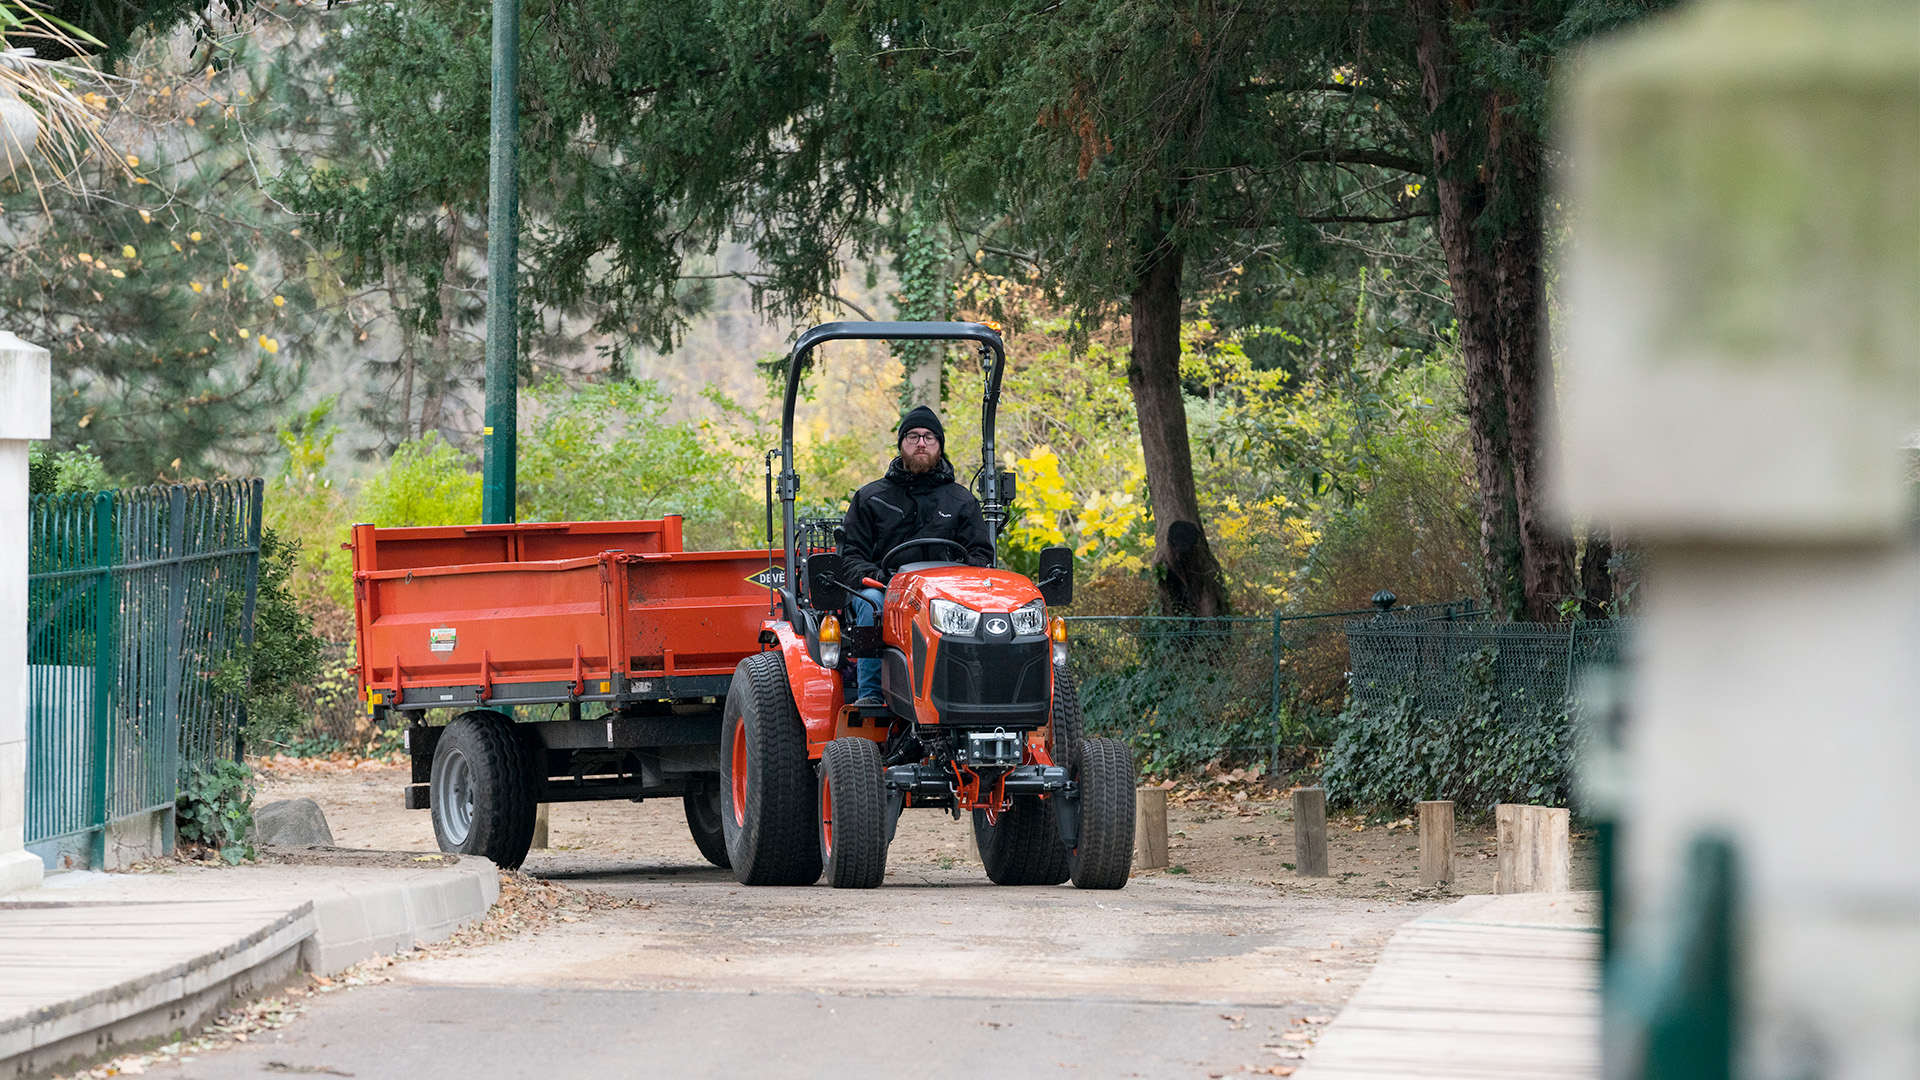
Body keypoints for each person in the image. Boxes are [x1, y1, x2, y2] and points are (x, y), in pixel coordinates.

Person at [838, 405, 994, 704]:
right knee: (870, 603)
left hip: (946, 594)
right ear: (901, 444)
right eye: (913, 436)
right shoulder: (871, 498)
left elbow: (980, 554)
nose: (921, 443)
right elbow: (851, 557)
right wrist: (880, 578)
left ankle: (969, 695)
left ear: (940, 446)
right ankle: (871, 695)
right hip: (887, 589)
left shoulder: (961, 500)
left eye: (929, 437)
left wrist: (960, 578)